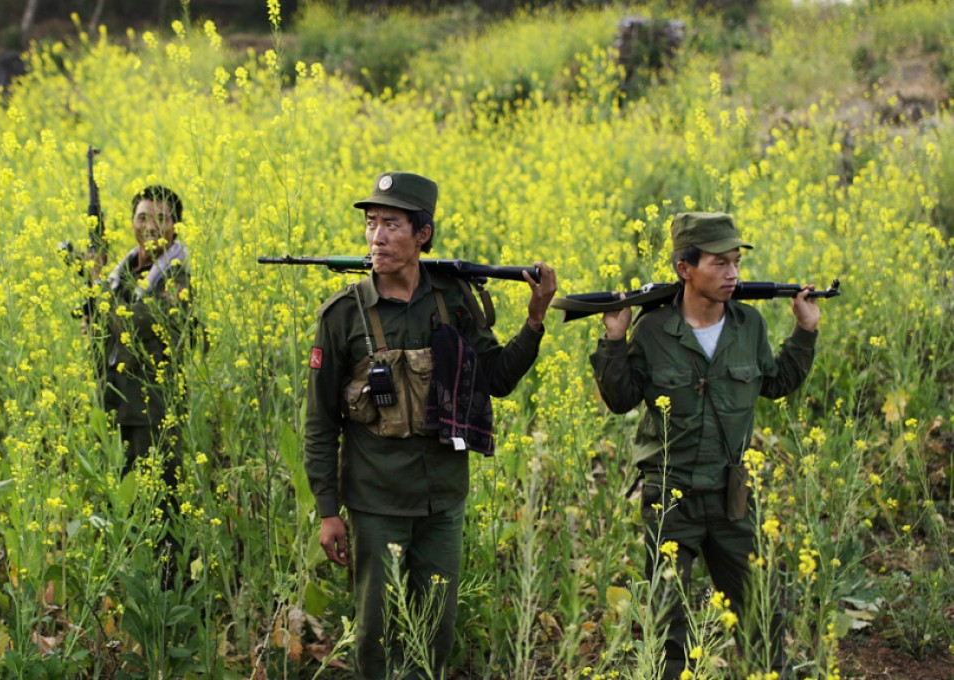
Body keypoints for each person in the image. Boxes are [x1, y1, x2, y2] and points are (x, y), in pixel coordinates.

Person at [304, 171, 557, 679]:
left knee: (435, 632)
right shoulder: (342, 316)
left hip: (443, 499)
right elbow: (319, 421)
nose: (377, 237)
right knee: (375, 635)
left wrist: (534, 319)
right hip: (376, 502)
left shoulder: (453, 300)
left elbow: (495, 379)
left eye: (392, 225)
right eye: (372, 224)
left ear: (423, 234)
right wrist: (329, 511)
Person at [590, 212, 820, 679]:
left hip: (731, 496)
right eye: (719, 263)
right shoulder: (654, 330)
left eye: (736, 262)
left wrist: (805, 331)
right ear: (684, 269)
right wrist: (614, 339)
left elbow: (775, 383)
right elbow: (620, 399)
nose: (732, 273)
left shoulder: (748, 325)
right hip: (670, 497)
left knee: (760, 613)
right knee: (668, 623)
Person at [99, 185, 193, 496]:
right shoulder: (121, 272)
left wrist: (99, 299)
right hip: (114, 405)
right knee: (120, 502)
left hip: (153, 411)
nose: (150, 226)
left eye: (162, 218)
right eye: (142, 217)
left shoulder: (177, 274)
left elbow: (146, 318)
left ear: (174, 226)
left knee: (158, 503)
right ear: (132, 222)